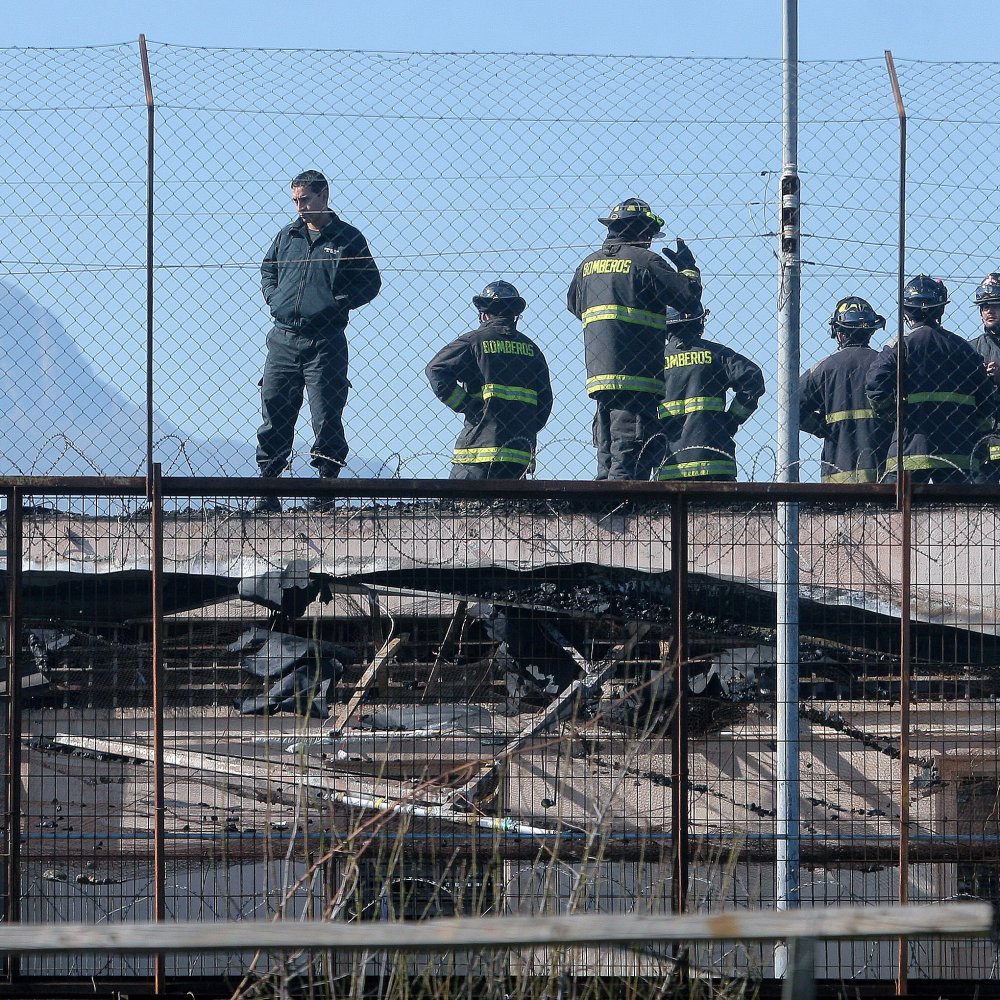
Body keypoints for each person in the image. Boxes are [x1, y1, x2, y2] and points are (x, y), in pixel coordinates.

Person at [255, 169, 381, 512]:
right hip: (283, 339)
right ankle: (268, 486)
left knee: (325, 412)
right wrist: (274, 297)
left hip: (325, 342)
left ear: (324, 195)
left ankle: (325, 486)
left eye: (305, 199)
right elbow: (268, 269)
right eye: (295, 200)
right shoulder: (288, 236)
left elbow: (370, 283)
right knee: (275, 409)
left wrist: (335, 303)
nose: (300, 207)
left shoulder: (347, 238)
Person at [567, 198, 702, 480]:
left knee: (607, 441)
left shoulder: (587, 266)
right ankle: (623, 505)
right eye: (649, 235)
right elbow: (687, 299)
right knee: (630, 444)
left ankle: (604, 496)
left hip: (599, 373)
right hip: (637, 370)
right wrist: (688, 269)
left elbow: (574, 305)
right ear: (642, 232)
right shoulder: (645, 261)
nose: (650, 241)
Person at [865, 274, 996, 484]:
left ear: (907, 311)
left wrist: (893, 413)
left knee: (893, 513)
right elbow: (985, 400)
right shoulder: (965, 350)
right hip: (957, 454)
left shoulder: (901, 345)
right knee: (956, 515)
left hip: (910, 452)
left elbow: (875, 383)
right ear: (941, 308)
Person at [426, 281, 552, 479]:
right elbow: (545, 402)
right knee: (512, 509)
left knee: (460, 509)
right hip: (518, 455)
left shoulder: (473, 341)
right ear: (515, 316)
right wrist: (524, 426)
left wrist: (467, 405)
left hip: (477, 452)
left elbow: (435, 369)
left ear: (484, 315)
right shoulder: (532, 350)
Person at [655, 305, 764, 481]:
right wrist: (731, 420)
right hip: (716, 463)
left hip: (670, 466)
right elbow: (753, 379)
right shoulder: (718, 355)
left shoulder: (654, 360)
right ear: (699, 323)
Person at [799, 297, 890, 483]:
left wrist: (821, 427)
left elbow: (791, 405)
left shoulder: (823, 369)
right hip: (883, 477)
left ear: (840, 333)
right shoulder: (885, 365)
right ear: (871, 331)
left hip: (837, 477)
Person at [968, 273, 1000, 483]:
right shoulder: (970, 349)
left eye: (995, 305)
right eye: (984, 306)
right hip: (981, 446)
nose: (989, 310)